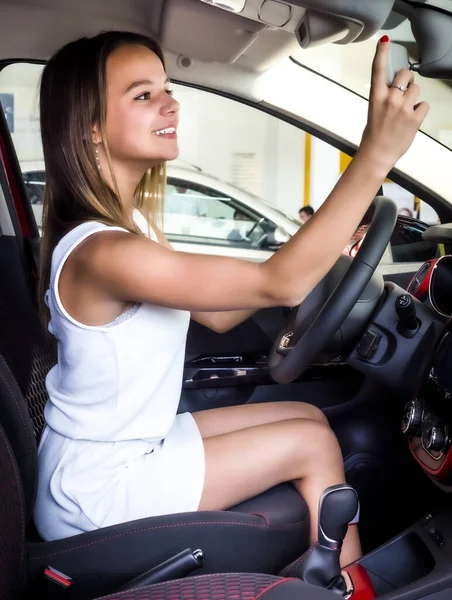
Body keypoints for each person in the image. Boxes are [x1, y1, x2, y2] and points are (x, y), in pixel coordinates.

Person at [34, 30, 428, 570]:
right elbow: (280, 284)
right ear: (92, 129)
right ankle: (349, 587)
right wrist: (377, 155)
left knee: (308, 419)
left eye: (167, 89)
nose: (171, 102)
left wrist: (331, 243)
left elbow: (220, 314)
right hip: (96, 490)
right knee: (313, 447)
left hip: (127, 448)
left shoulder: (131, 229)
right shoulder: (104, 253)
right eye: (143, 95)